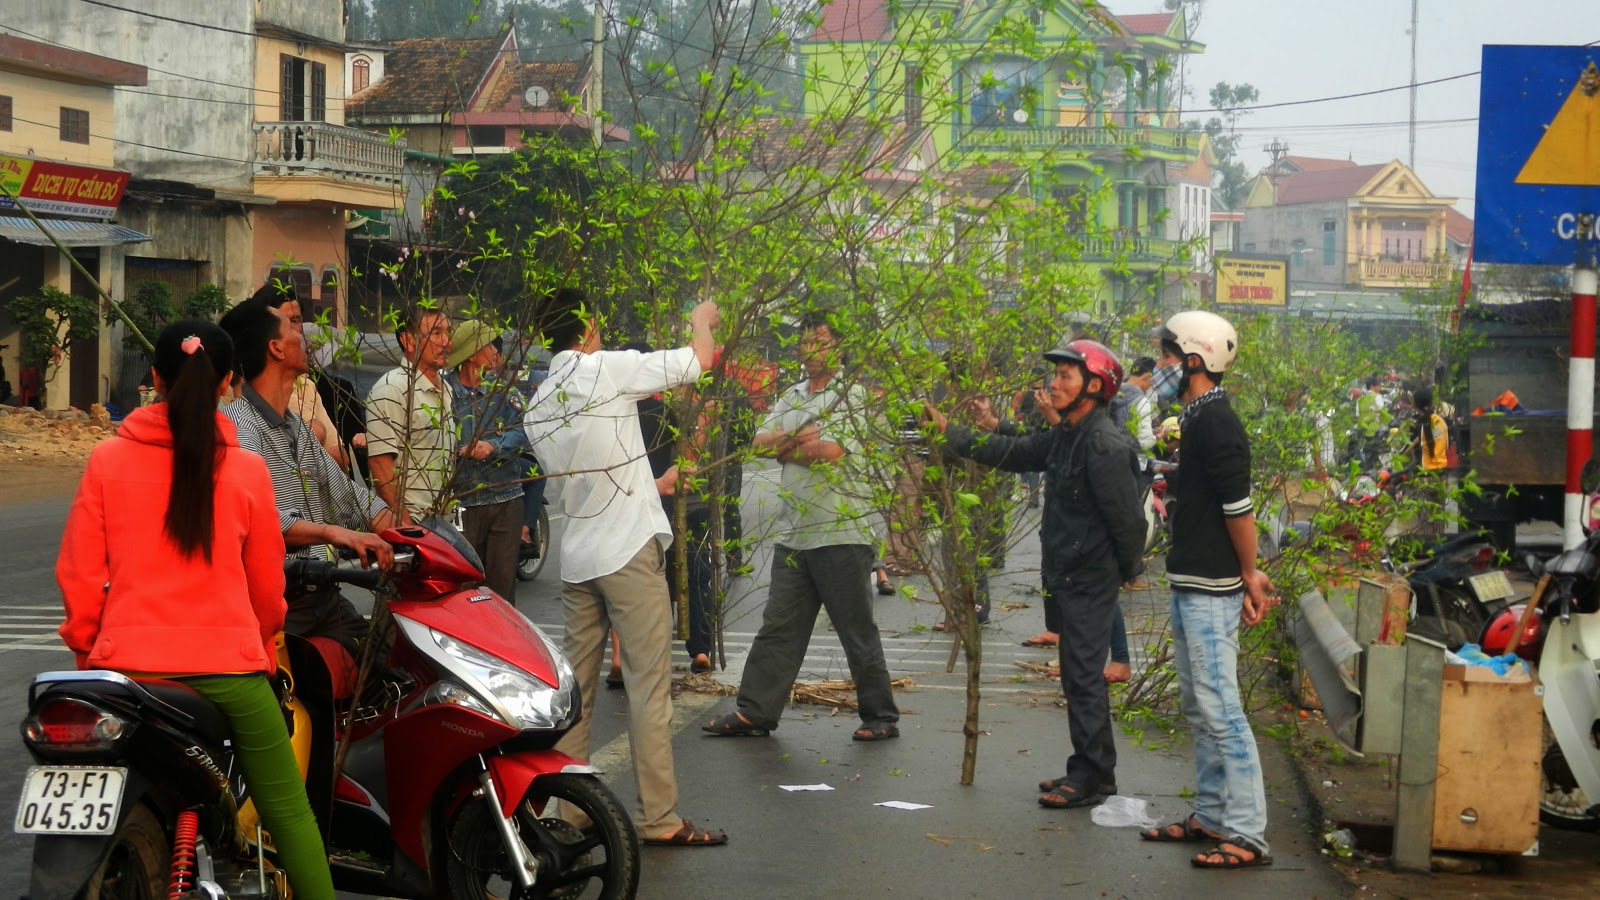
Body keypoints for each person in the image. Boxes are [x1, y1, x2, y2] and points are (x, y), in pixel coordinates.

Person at [56, 321, 335, 898]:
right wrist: (259, 645)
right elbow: (266, 590)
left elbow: (80, 579)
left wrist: (92, 653)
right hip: (229, 673)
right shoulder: (247, 472)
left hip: (127, 673)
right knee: (289, 810)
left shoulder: (106, 461)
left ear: (153, 379)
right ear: (229, 383)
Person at [525, 288, 728, 847]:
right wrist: (700, 319)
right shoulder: (604, 370)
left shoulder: (539, 402)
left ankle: (571, 813)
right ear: (587, 326)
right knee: (648, 687)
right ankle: (659, 817)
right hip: (627, 550)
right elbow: (697, 361)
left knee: (578, 693)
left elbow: (586, 469)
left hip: (579, 554)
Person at [931, 338, 1145, 810]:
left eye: (1067, 376)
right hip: (1067, 574)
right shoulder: (1069, 433)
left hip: (1089, 576)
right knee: (1076, 675)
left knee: (1083, 677)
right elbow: (1013, 451)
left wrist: (1128, 570)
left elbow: (1128, 520)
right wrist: (952, 432)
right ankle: (1092, 769)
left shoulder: (1104, 444)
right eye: (1057, 374)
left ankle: (1091, 776)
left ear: (1095, 385)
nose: (1055, 383)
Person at [702, 313, 900, 743]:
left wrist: (787, 446)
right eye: (806, 342)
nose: (811, 350)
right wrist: (796, 442)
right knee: (779, 626)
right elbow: (758, 442)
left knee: (854, 628)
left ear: (840, 347)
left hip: (841, 530)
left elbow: (827, 451)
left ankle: (880, 714)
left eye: (821, 341)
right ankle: (755, 711)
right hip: (795, 533)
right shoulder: (792, 396)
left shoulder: (853, 396)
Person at [1139, 310, 1276, 869]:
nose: (1162, 365)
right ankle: (1214, 815)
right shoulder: (1197, 419)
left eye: (1169, 354)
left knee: (1221, 709)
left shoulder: (1218, 422)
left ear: (1194, 360)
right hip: (1191, 576)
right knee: (1200, 706)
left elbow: (1238, 509)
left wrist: (1250, 573)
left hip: (1212, 585)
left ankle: (1247, 832)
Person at [219, 299, 394, 663]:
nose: (303, 335)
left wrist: (406, 531)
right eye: (292, 327)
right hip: (278, 601)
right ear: (276, 348)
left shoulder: (296, 426)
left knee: (385, 664)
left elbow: (350, 496)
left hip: (321, 594)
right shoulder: (241, 427)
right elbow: (260, 520)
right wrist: (332, 532)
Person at [445, 320, 527, 604]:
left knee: (502, 589)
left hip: (505, 498)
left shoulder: (505, 393)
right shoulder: (444, 394)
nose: (496, 351)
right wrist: (456, 449)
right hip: (461, 502)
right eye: (489, 345)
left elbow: (526, 431)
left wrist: (493, 445)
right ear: (470, 355)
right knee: (463, 588)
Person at [366, 309, 454, 523]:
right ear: (409, 340)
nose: (446, 342)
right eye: (436, 333)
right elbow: (381, 467)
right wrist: (408, 528)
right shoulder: (391, 389)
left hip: (440, 523)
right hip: (412, 525)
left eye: (447, 332)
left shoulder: (446, 390)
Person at [252, 282, 347, 468]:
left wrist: (306, 445)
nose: (297, 332)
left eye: (297, 321)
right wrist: (314, 437)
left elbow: (342, 457)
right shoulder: (243, 387)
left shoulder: (307, 386)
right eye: (289, 322)